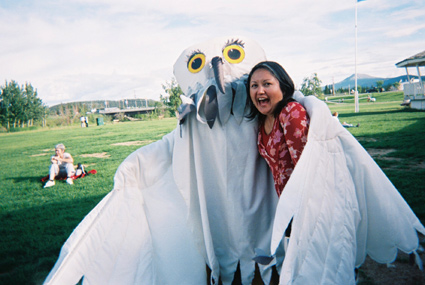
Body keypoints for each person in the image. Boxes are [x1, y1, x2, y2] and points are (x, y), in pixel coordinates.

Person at [246, 61, 309, 196]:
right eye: (254, 86)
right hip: (285, 205)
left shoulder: (291, 113)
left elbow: (307, 167)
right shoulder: (263, 119)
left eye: (267, 84)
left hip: (303, 202)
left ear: (283, 87)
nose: (260, 91)